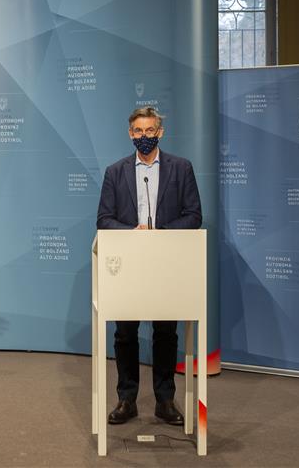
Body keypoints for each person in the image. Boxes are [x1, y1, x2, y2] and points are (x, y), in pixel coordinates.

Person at [96, 106, 202, 426]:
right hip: (128, 264)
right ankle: (126, 399)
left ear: (160, 132)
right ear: (130, 134)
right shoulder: (115, 172)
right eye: (138, 132)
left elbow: (194, 216)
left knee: (165, 332)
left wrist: (161, 234)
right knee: (125, 333)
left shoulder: (181, 168)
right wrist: (132, 233)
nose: (144, 137)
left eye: (150, 131)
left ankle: (165, 400)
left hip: (166, 263)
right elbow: (104, 220)